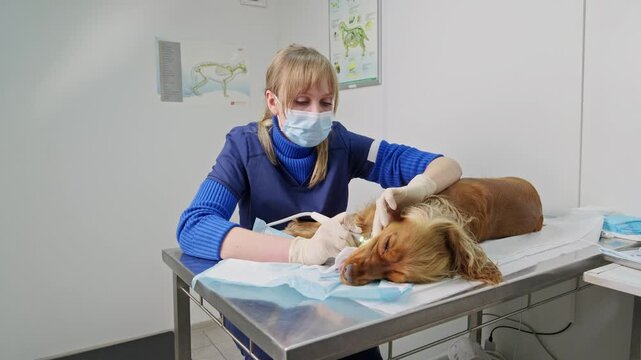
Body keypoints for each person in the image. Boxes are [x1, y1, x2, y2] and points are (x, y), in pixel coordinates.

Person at [177, 44, 462, 360]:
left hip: (330, 295)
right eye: (301, 102)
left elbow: (447, 165)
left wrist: (416, 190)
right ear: (273, 101)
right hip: (266, 298)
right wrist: (300, 250)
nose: (315, 114)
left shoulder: (341, 143)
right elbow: (193, 226)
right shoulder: (243, 147)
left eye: (326, 103)